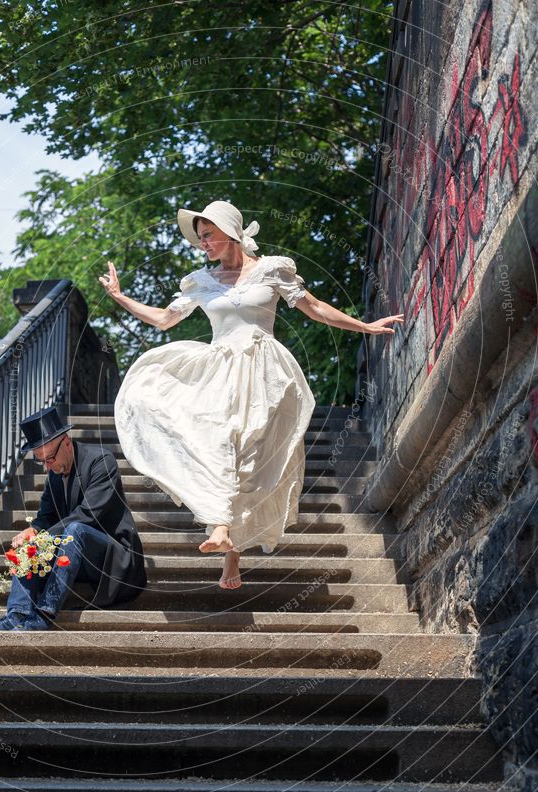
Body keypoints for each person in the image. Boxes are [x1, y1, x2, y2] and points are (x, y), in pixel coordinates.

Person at [100, 200, 403, 590]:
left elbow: (314, 308)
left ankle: (230, 548)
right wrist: (120, 297)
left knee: (250, 455)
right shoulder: (202, 282)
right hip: (219, 373)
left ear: (229, 230)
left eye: (207, 234)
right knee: (223, 443)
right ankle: (223, 531)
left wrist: (365, 326)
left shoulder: (272, 269)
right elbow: (164, 319)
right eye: (199, 237)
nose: (202, 243)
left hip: (265, 374)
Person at [0, 406, 146, 630]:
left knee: (74, 530)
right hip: (77, 557)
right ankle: (17, 613)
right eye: (42, 461)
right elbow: (46, 517)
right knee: (30, 542)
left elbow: (89, 515)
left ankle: (44, 614)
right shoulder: (54, 473)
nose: (48, 466)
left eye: (50, 458)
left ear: (67, 442)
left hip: (113, 559)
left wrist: (43, 536)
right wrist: (33, 532)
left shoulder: (101, 460)